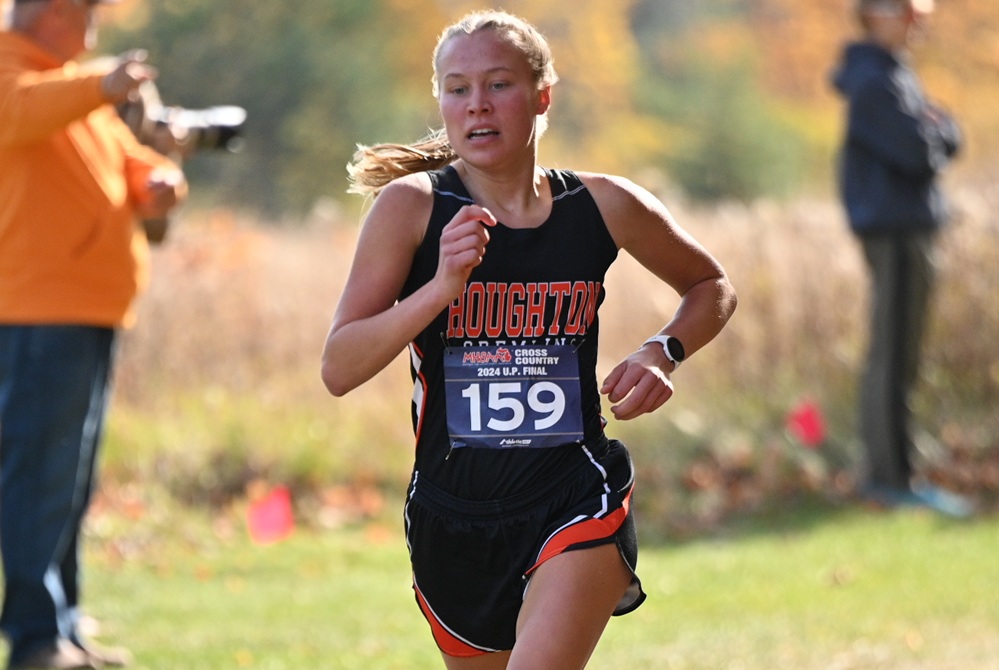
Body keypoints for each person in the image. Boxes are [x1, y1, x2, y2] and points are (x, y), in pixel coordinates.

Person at [321, 10, 736, 669]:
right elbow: (338, 368)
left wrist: (663, 350)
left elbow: (709, 284)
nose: (476, 105)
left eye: (498, 85)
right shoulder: (410, 208)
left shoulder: (601, 204)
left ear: (541, 96)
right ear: (440, 101)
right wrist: (439, 288)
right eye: (457, 88)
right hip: (450, 514)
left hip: (571, 494)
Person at [0, 0, 187, 667]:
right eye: (87, 12)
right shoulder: (19, 72)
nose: (94, 28)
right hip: (36, 310)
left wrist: (157, 181)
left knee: (67, 481)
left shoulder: (64, 84)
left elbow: (128, 158)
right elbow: (19, 113)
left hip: (84, 311)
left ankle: (63, 626)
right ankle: (34, 637)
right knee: (37, 475)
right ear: (54, 12)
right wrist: (102, 83)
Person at [831, 0, 971, 517]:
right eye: (907, 10)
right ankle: (892, 480)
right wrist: (937, 128)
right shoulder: (874, 81)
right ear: (875, 14)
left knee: (901, 354)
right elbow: (921, 152)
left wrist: (940, 127)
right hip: (893, 232)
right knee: (892, 355)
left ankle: (895, 476)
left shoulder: (892, 74)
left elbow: (947, 136)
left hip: (907, 229)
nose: (918, 20)